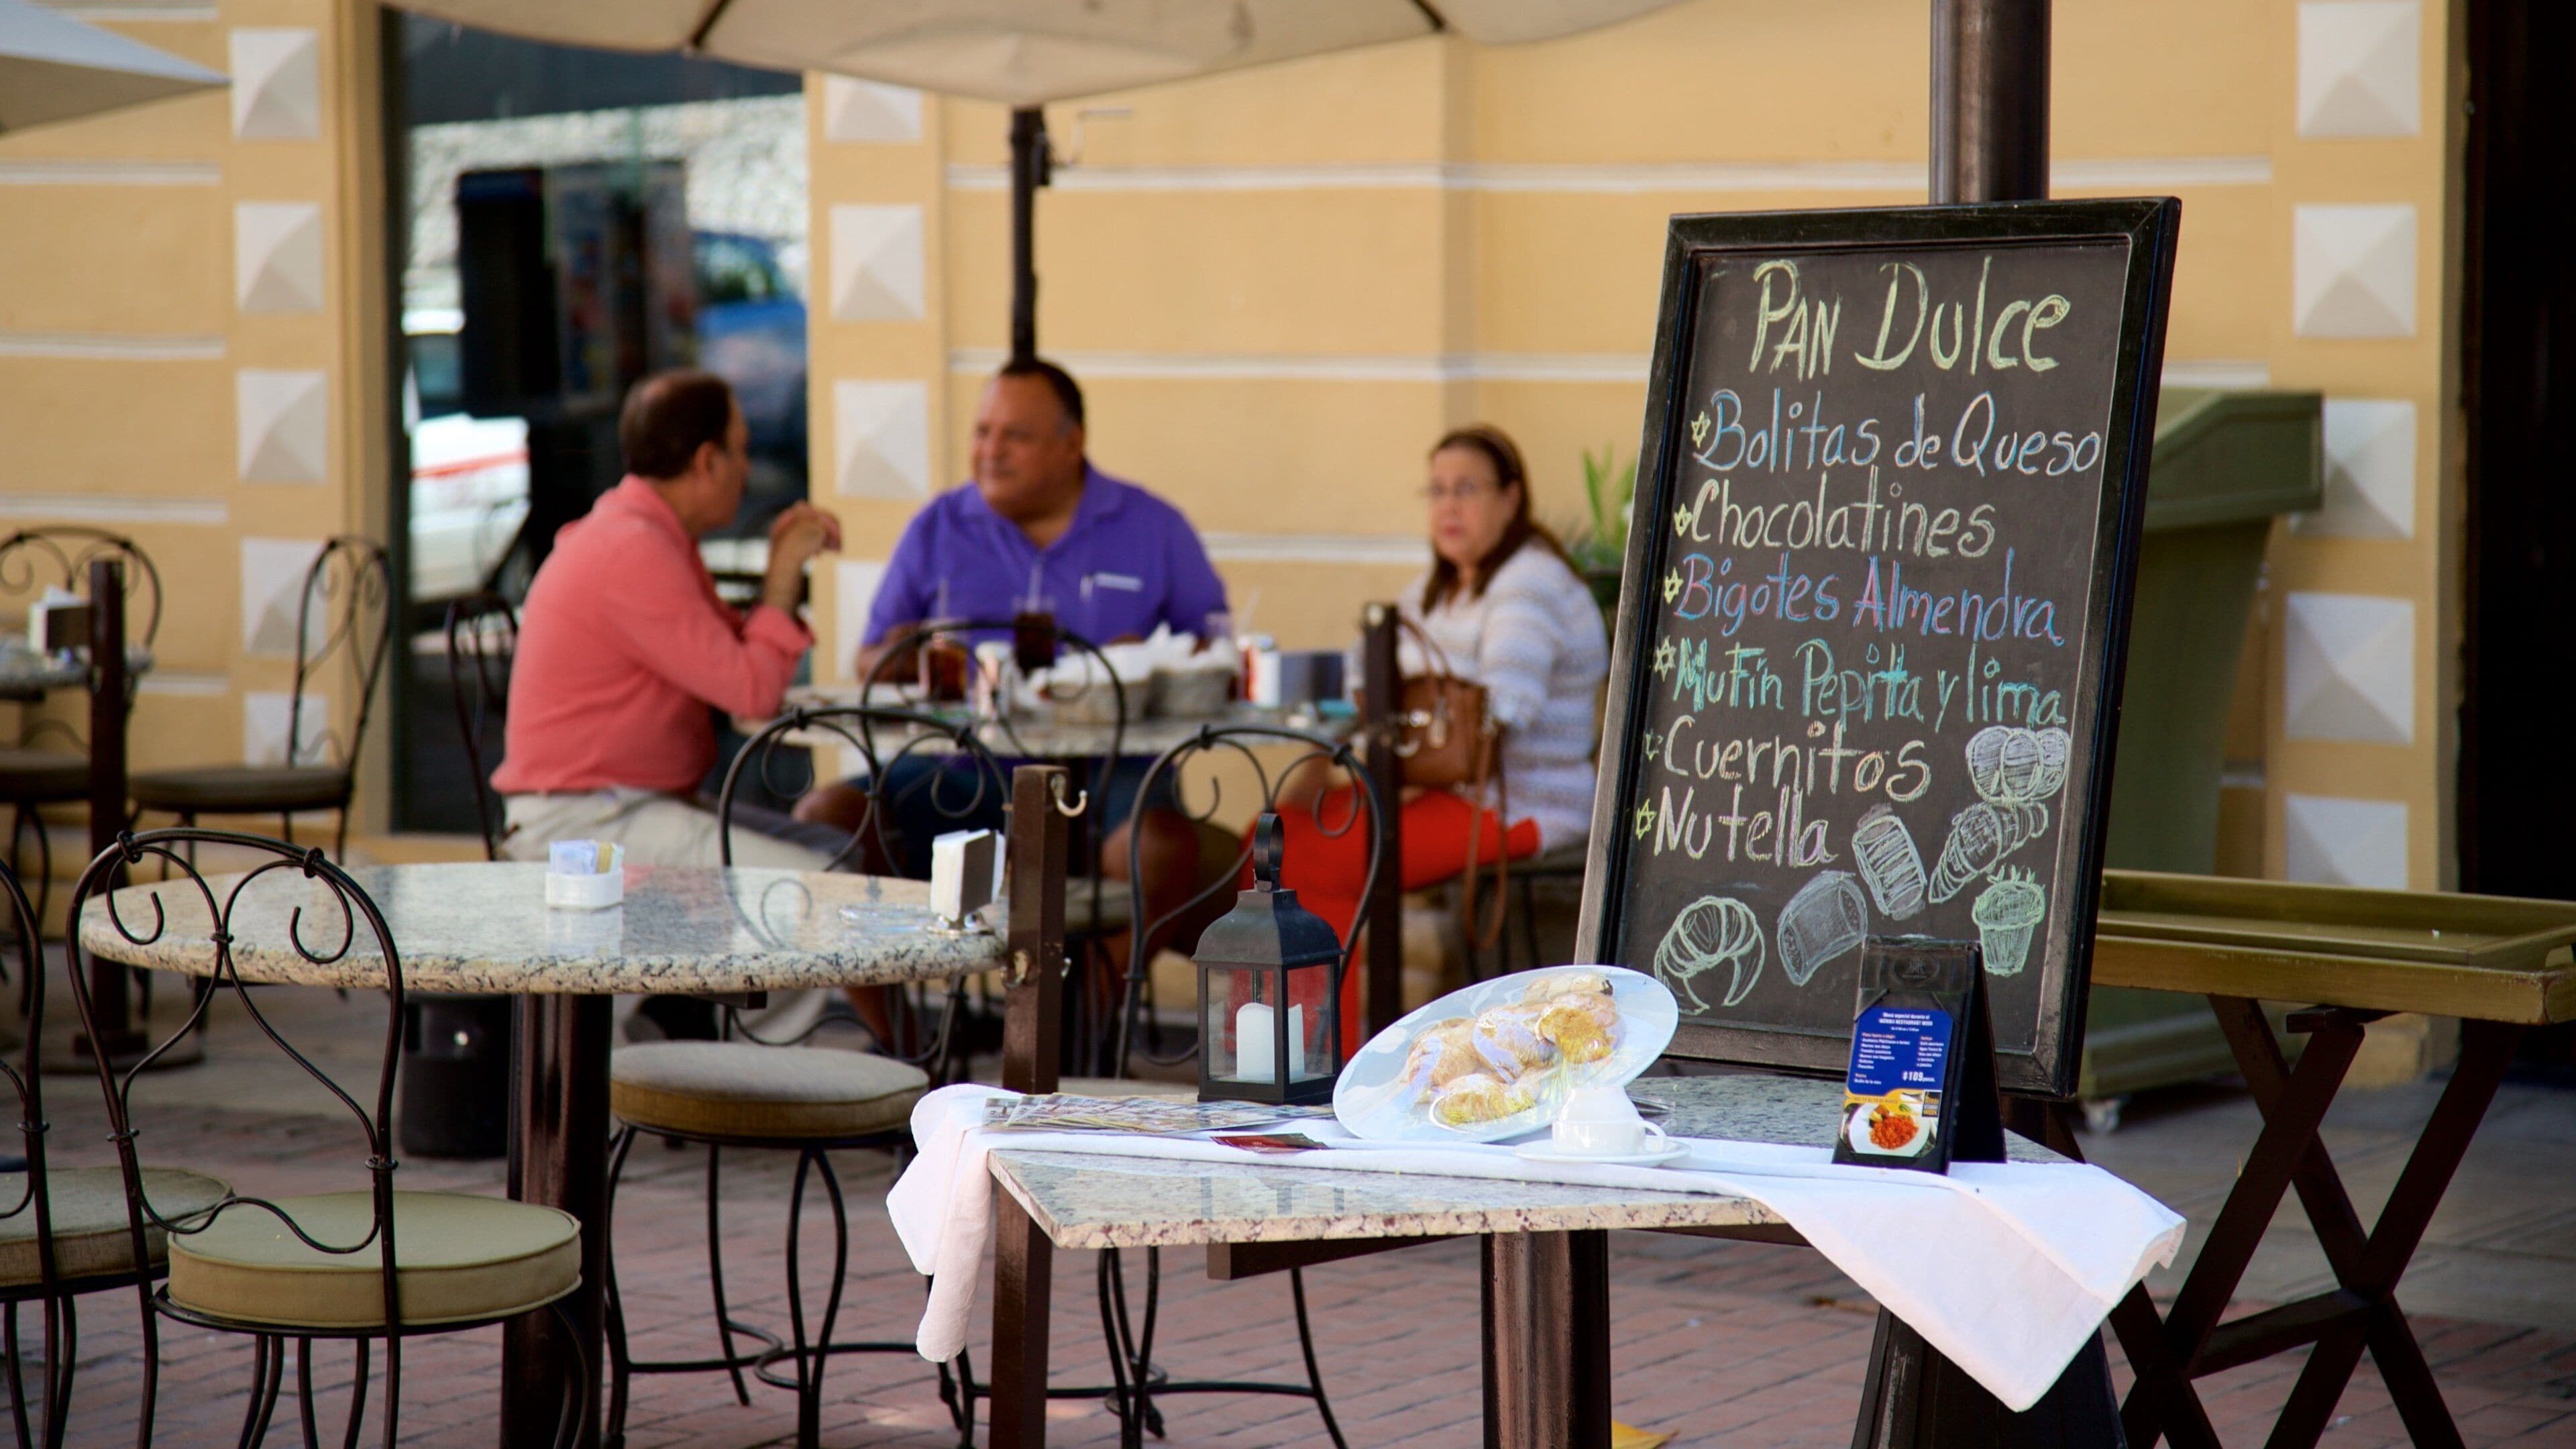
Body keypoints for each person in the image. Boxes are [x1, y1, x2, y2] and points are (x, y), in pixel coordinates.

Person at [1275, 423, 1610, 1049]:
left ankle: (1327, 1056)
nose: (1448, 506)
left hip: (1526, 804)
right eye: (1435, 491)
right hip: (1446, 793)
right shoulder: (1441, 587)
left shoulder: (1528, 581)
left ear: (1511, 499)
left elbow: (1505, 703)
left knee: (1322, 855)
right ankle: (1283, 1048)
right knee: (1276, 835)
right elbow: (1363, 662)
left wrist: (1414, 701)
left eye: (1467, 489)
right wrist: (1424, 700)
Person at [492, 369, 844, 869]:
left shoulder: (648, 533)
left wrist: (777, 569)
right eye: (739, 451)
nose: (747, 469)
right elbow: (753, 690)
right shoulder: (633, 549)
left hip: (629, 806)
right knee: (823, 880)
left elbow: (730, 661)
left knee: (836, 853)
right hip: (584, 824)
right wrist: (786, 569)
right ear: (707, 462)